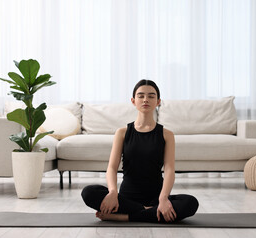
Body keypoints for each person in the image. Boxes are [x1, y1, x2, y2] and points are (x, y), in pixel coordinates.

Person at [81, 79, 199, 222]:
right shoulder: (122, 132)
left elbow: (169, 169)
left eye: (151, 96)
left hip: (156, 198)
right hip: (125, 199)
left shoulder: (167, 134)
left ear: (158, 101)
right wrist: (112, 192)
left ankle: (125, 217)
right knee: (88, 192)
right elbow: (112, 168)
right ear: (133, 101)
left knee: (190, 203)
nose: (145, 100)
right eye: (141, 96)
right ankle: (149, 213)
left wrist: (163, 199)